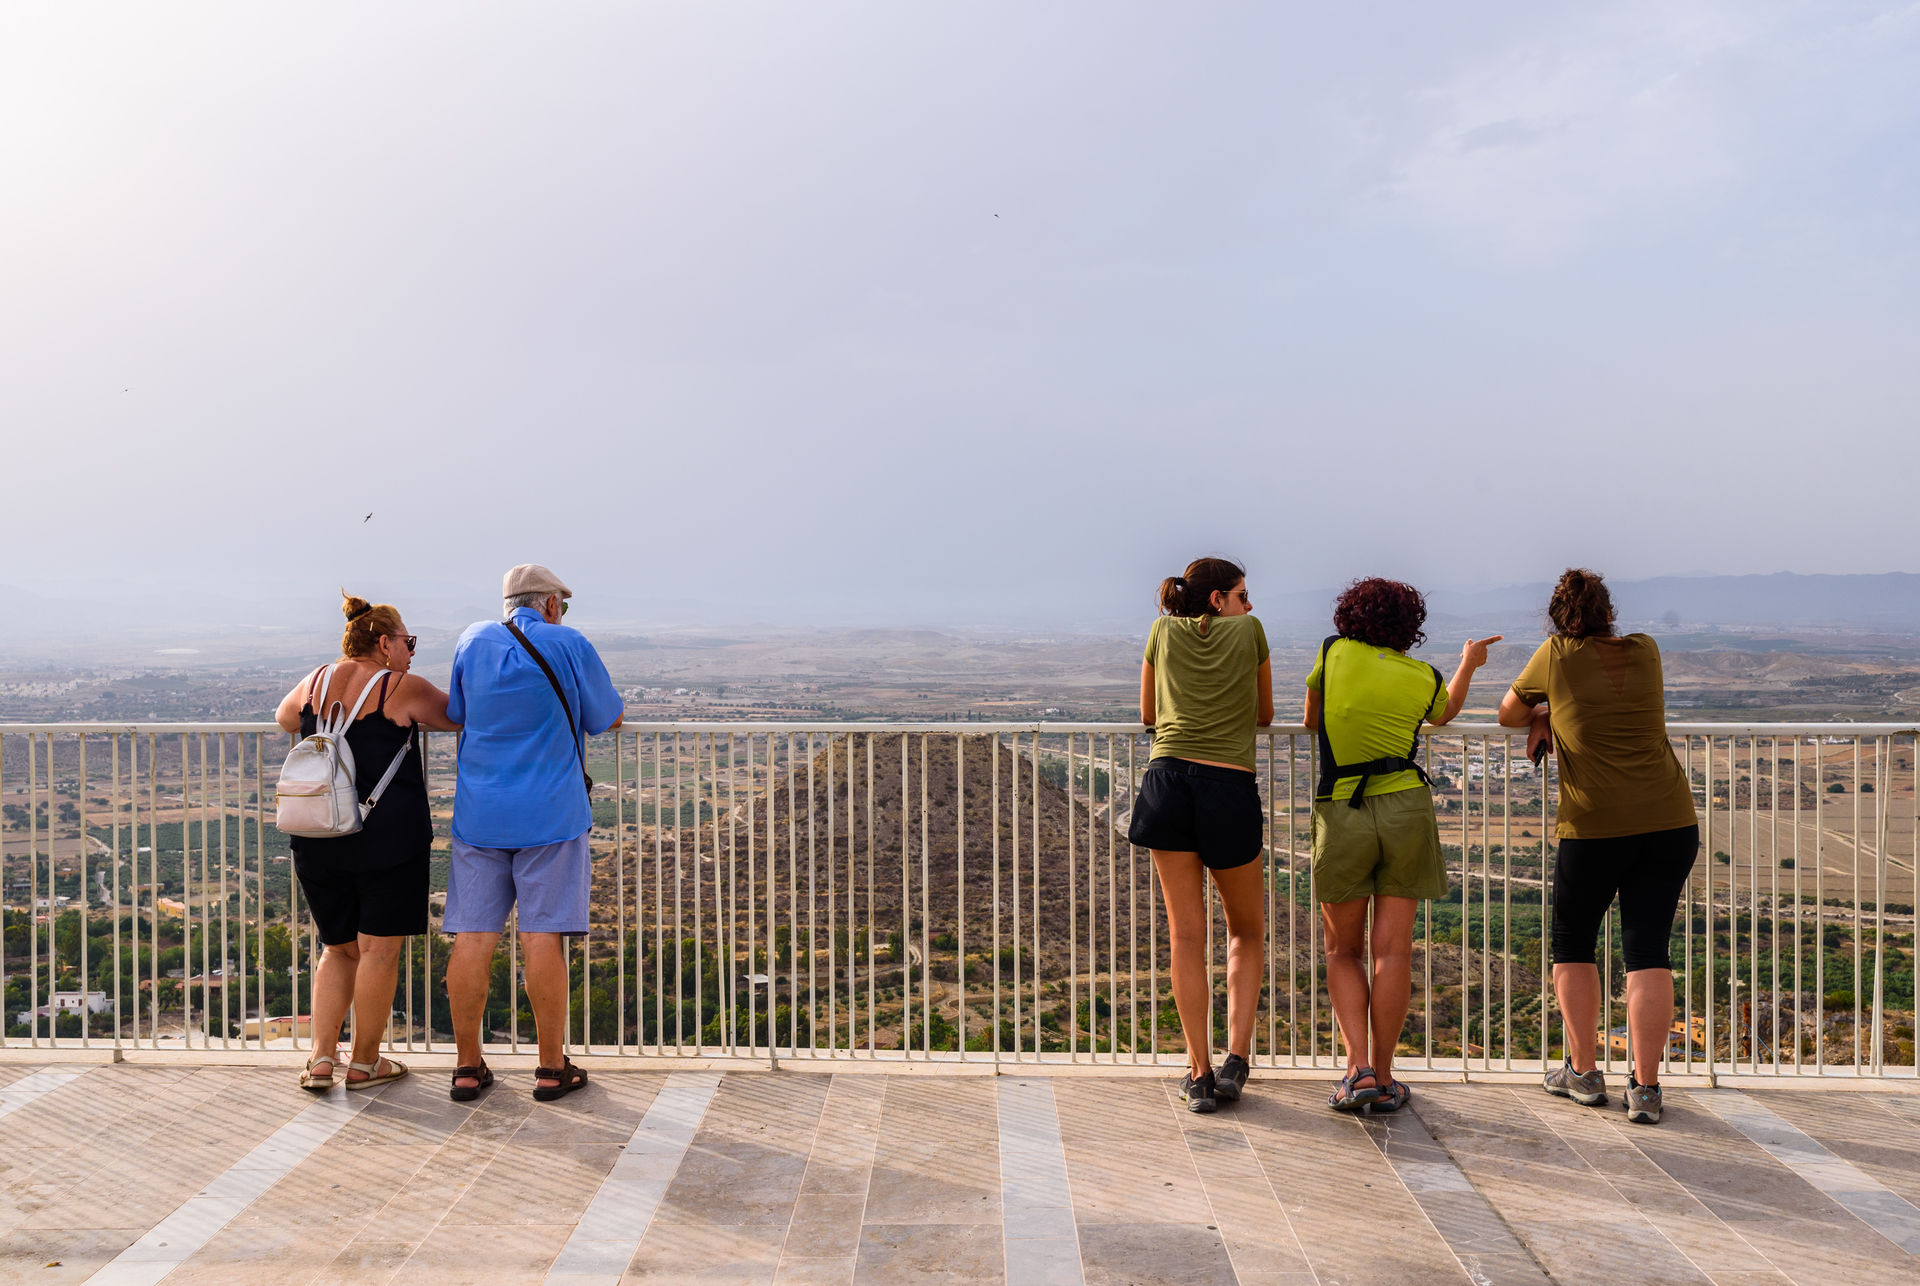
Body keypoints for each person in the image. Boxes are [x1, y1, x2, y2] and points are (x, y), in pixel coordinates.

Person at [1499, 568, 1697, 1125]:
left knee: (1573, 943)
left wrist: (1542, 712)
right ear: (1609, 611)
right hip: (1669, 820)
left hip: (1594, 827)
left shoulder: (1556, 654)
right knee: (1648, 950)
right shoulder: (1646, 649)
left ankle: (1584, 1073)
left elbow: (1507, 713)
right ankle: (1646, 1088)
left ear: (1558, 618)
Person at [1305, 578, 1498, 1115]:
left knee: (1342, 950)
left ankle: (1358, 1070)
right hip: (1407, 808)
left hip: (1343, 808)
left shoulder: (1332, 652)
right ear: (1409, 626)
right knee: (1392, 952)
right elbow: (1444, 713)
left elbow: (1312, 719)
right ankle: (1387, 1079)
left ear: (1350, 614)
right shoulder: (1424, 675)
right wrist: (1468, 663)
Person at [443, 564, 623, 1103]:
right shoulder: (568, 642)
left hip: (480, 815)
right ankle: (549, 1068)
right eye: (561, 604)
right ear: (549, 604)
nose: (561, 612)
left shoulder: (473, 640)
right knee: (541, 936)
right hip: (551, 815)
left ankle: (467, 1067)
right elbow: (607, 717)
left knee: (474, 936)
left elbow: (457, 711)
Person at [275, 592, 458, 1091]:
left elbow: (286, 719)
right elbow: (457, 716)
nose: (411, 652)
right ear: (383, 643)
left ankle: (320, 1060)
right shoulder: (401, 686)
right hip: (388, 839)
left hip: (317, 833)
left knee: (337, 949)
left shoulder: (314, 680)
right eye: (407, 642)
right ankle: (364, 1063)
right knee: (378, 950)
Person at [1128, 557, 1273, 1113]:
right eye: (1242, 594)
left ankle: (1198, 1073)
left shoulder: (1160, 631)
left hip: (1166, 783)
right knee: (1246, 930)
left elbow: (1149, 712)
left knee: (1186, 937)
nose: (1249, 605)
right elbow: (1265, 714)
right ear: (1218, 600)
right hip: (1227, 788)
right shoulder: (1251, 631)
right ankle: (1236, 1061)